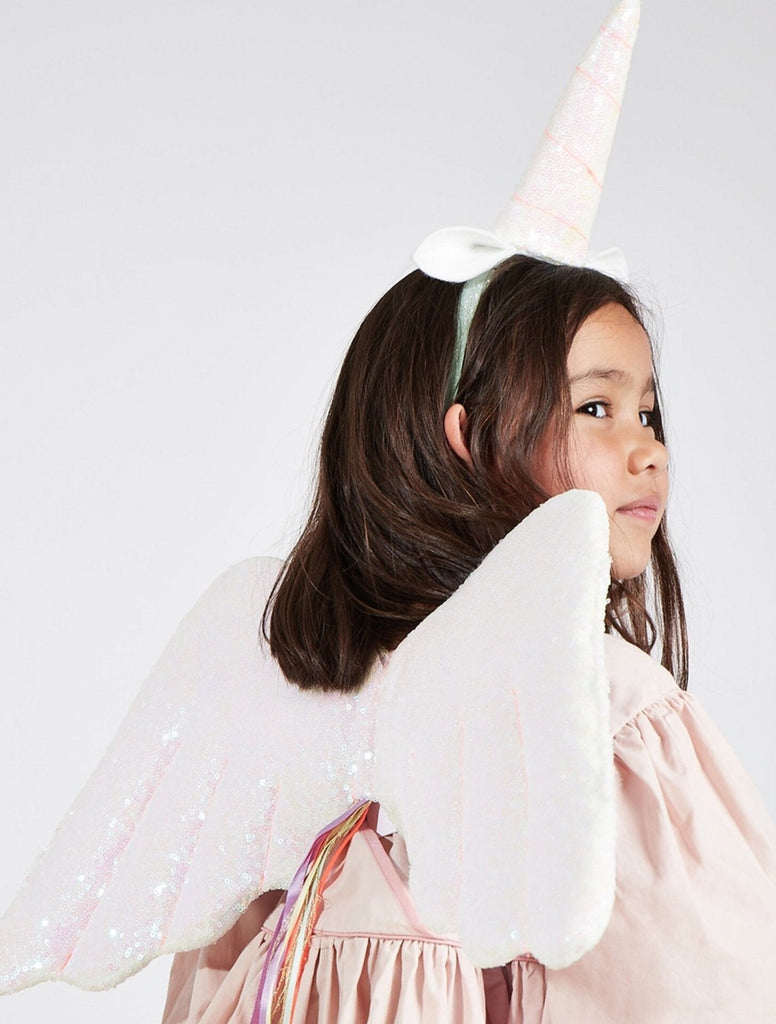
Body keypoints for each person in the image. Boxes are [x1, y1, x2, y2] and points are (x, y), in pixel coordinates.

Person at [2, 2, 776, 1022]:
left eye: (646, 410)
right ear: (465, 436)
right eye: (594, 406)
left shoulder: (581, 707)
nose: (646, 446)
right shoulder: (516, 700)